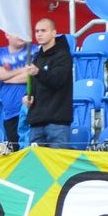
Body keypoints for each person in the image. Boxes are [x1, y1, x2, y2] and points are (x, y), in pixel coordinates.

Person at [23, 17, 73, 147]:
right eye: (37, 31)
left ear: (54, 33)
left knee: (57, 166)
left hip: (57, 122)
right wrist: (27, 96)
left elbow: (58, 80)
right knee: (36, 165)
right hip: (37, 122)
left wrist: (38, 73)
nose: (39, 34)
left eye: (43, 30)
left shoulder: (63, 55)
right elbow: (34, 84)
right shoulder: (37, 57)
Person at [0, 32, 33, 146]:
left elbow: (34, 75)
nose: (21, 34)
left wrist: (7, 76)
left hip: (31, 112)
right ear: (7, 34)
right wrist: (22, 70)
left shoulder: (34, 50)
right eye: (16, 31)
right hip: (10, 114)